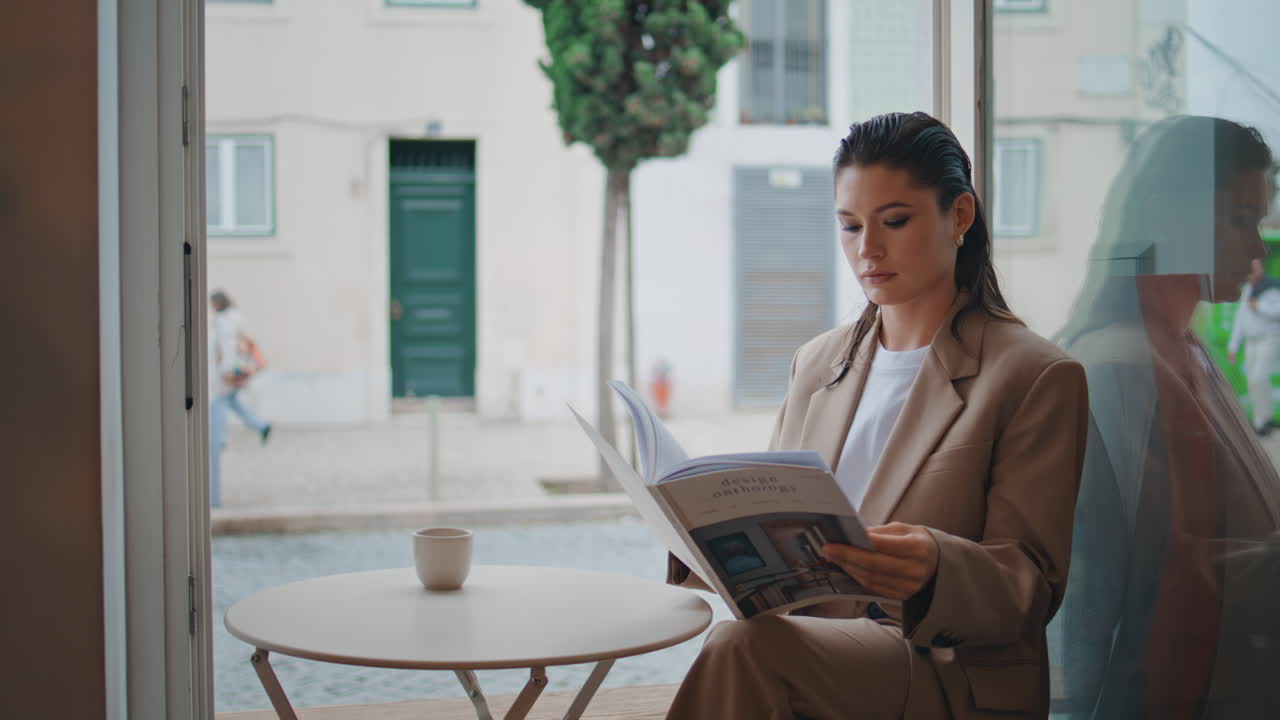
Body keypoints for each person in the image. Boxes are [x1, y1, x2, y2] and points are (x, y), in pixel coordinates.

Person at [664, 112, 1089, 719]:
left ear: (959, 216)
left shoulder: (1033, 374)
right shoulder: (817, 363)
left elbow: (1031, 586)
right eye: (850, 226)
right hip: (812, 648)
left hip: (940, 670)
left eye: (894, 221)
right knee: (750, 643)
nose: (868, 249)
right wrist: (704, 535)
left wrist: (937, 565)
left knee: (743, 648)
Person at [1055, 116, 1280, 719]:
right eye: (1239, 220)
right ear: (1166, 219)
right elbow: (1106, 590)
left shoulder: (1186, 349)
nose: (1258, 248)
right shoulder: (1120, 367)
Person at [209, 289, 272, 508]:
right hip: (227, 380)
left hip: (221, 381)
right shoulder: (235, 319)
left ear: (217, 304)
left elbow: (226, 349)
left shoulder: (224, 322)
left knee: (212, 441)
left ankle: (213, 498)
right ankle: (261, 426)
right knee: (233, 404)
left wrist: (227, 373)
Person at [1227, 258, 1280, 434]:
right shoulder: (1247, 289)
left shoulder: (1273, 286)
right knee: (1253, 379)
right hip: (1251, 341)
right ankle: (1266, 416)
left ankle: (1260, 421)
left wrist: (1259, 306)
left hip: (1269, 338)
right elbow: (1240, 319)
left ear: (1261, 269)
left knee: (1259, 377)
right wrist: (1234, 345)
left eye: (1254, 268)